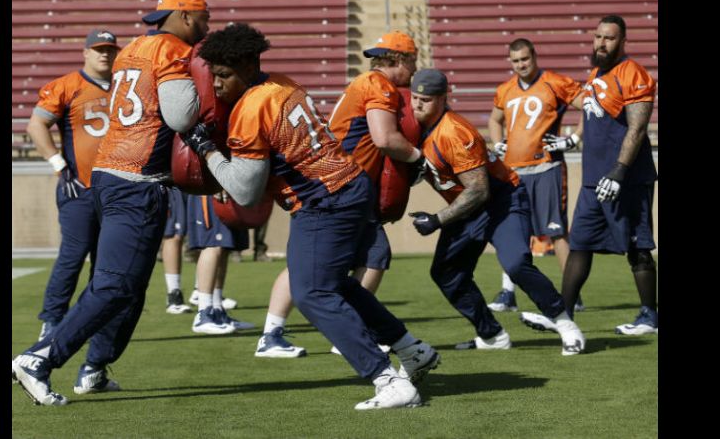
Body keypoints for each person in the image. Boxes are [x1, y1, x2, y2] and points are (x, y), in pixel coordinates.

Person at [185, 23, 439, 409]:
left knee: (312, 293)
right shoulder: (283, 84)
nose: (216, 85)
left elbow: (246, 190)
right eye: (213, 76)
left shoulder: (251, 108)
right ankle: (410, 348)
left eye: (224, 75)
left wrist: (207, 151)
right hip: (347, 187)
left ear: (249, 67)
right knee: (335, 284)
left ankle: (386, 379)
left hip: (324, 199)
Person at [12, 0, 211, 406]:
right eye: (204, 18)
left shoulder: (133, 48)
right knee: (115, 284)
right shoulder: (171, 49)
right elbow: (178, 115)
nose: (206, 27)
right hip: (136, 181)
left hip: (110, 173)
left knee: (130, 287)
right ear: (187, 17)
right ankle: (39, 358)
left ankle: (95, 367)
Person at [406, 68, 586, 356]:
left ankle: (566, 323)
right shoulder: (416, 126)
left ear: (442, 99)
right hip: (466, 207)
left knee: (515, 264)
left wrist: (438, 220)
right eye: (414, 97)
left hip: (500, 201)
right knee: (446, 272)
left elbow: (479, 191)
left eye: (424, 100)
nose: (416, 105)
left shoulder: (454, 131)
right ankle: (491, 334)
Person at [522, 15, 658, 335]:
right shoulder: (597, 72)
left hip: (627, 179)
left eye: (609, 38)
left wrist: (619, 171)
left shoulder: (633, 73)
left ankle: (650, 315)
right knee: (580, 244)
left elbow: (638, 128)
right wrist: (574, 139)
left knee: (637, 246)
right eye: (598, 36)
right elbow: (592, 115)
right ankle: (564, 314)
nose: (601, 43)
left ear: (623, 41)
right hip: (593, 179)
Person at [26, 29, 121, 341]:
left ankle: (93, 321)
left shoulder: (125, 85)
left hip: (118, 189)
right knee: (74, 254)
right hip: (79, 187)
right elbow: (36, 123)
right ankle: (52, 320)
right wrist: (57, 163)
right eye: (98, 49)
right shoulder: (68, 85)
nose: (104, 54)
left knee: (106, 261)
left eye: (109, 49)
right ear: (85, 52)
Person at [486, 38, 586, 314]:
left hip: (547, 168)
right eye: (516, 61)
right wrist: (496, 143)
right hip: (514, 171)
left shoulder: (555, 82)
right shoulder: (505, 89)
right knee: (512, 233)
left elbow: (590, 107)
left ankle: (571, 293)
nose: (521, 65)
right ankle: (508, 292)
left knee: (556, 232)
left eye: (525, 59)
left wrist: (574, 138)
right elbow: (494, 120)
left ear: (535, 56)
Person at [326, 30, 421, 300]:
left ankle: (275, 329)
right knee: (355, 260)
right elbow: (385, 139)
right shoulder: (378, 85)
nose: (415, 69)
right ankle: (352, 325)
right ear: (400, 59)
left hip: (337, 182)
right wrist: (417, 159)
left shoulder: (363, 81)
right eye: (413, 61)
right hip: (344, 186)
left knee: (366, 256)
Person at [188, 192, 254, 334]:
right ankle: (203, 314)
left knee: (224, 247)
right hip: (211, 188)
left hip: (228, 187)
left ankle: (217, 310)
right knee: (213, 244)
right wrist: (217, 183)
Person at [162, 186, 192, 314]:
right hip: (173, 182)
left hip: (197, 180)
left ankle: (203, 292)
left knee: (203, 236)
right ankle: (173, 295)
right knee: (174, 235)